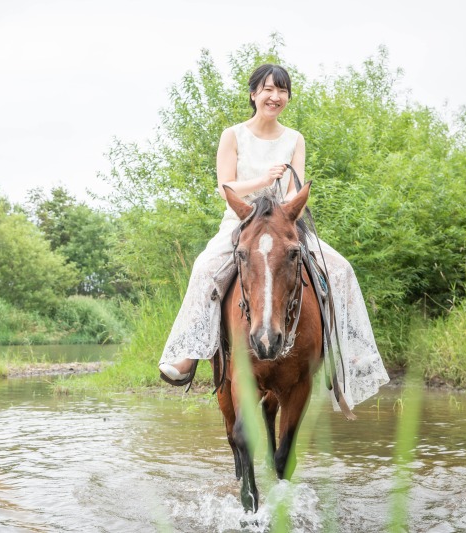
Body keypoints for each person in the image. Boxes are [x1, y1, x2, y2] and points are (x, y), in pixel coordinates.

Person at [157, 64, 389, 410]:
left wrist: (288, 206)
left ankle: (351, 354)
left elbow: (295, 188)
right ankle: (189, 353)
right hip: (241, 221)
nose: (275, 97)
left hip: (282, 223)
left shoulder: (295, 139)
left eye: (282, 91)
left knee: (341, 269)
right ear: (253, 94)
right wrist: (264, 181)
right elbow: (226, 187)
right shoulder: (232, 135)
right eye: (268, 89)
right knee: (205, 267)